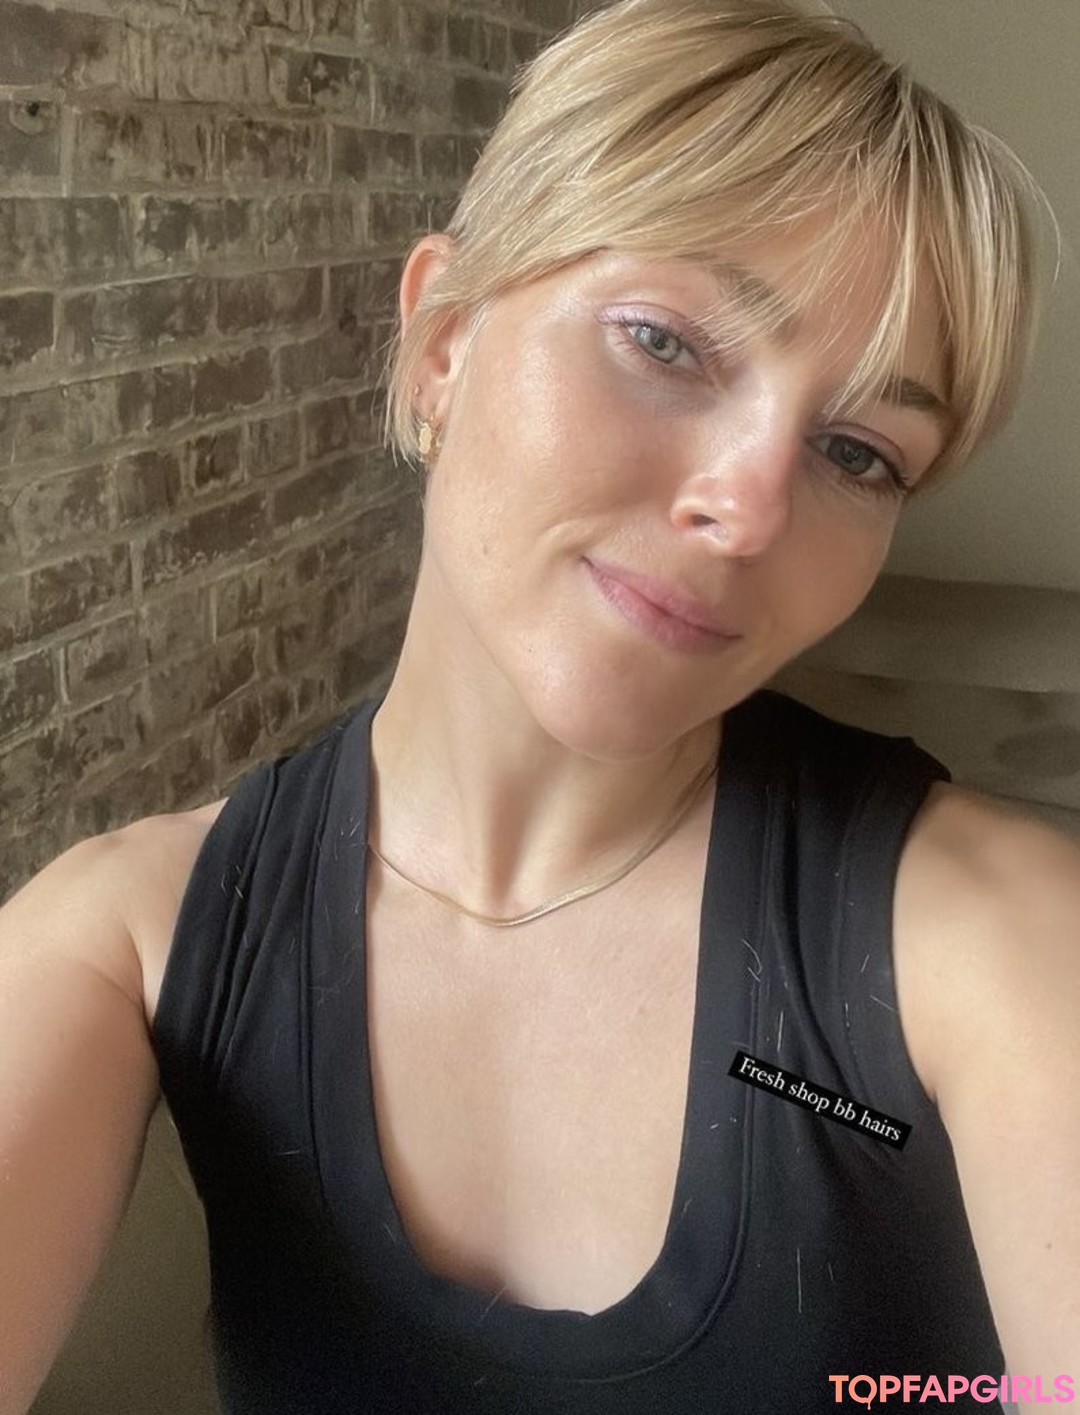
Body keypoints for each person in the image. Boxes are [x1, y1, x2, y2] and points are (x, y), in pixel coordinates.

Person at [1, 0, 1077, 1411]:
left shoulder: (993, 937)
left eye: (858, 451)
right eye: (665, 343)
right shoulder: (129, 935)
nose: (751, 509)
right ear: (441, 344)